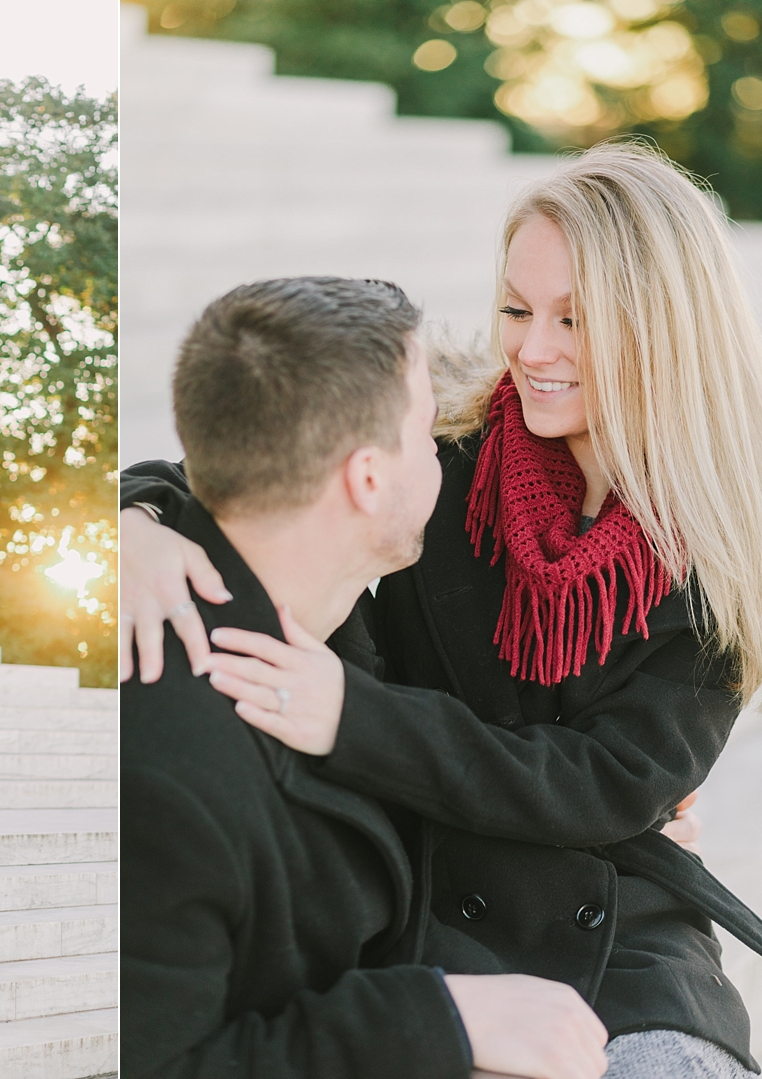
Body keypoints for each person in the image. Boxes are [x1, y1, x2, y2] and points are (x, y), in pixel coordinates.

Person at [121, 144, 762, 1075]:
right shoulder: (458, 423)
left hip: (612, 928)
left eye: (576, 319)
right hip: (421, 889)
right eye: (516, 308)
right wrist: (134, 516)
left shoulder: (736, 544)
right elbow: (266, 465)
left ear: (665, 329)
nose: (532, 350)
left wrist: (353, 713)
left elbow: (608, 785)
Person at [125, 275, 612, 1079]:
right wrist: (436, 1017)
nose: (445, 450)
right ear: (368, 479)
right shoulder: (164, 764)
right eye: (426, 430)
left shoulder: (329, 613)